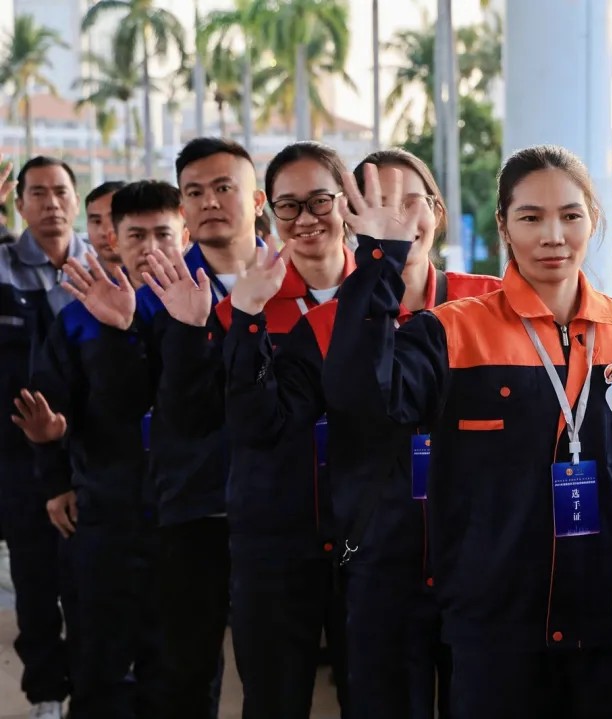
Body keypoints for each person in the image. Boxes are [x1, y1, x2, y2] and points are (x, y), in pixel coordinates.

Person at [322, 145, 612, 718]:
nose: (553, 236)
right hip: (494, 628)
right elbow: (362, 398)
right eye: (531, 217)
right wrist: (379, 261)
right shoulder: (451, 332)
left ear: (594, 220)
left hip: (607, 623)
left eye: (571, 215)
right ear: (503, 225)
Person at [223, 147, 500, 719]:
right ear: (355, 220)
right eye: (379, 206)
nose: (396, 219)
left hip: (482, 557)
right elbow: (264, 425)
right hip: (382, 566)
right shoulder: (332, 325)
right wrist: (246, 320)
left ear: (438, 211)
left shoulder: (489, 303)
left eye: (410, 203)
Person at [68, 138, 267, 719]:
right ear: (184, 207)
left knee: (279, 670)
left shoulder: (294, 277)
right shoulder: (153, 291)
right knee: (185, 670)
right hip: (189, 512)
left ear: (256, 199)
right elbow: (126, 406)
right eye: (195, 192)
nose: (210, 202)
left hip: (285, 514)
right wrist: (120, 333)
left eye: (224, 187)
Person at [15, 180, 186, 718]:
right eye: (136, 235)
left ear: (183, 235)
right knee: (99, 658)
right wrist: (55, 476)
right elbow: (50, 407)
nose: (151, 247)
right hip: (104, 512)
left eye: (163, 233)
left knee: (180, 662)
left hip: (185, 516)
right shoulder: (77, 318)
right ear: (114, 238)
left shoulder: (203, 311)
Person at [194, 141, 353, 718]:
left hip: (366, 540)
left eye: (320, 201)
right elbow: (234, 420)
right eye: (289, 205)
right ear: (271, 211)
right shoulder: (244, 305)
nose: (306, 218)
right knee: (273, 699)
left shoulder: (386, 298)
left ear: (346, 202)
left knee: (373, 694)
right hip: (273, 543)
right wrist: (248, 318)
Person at [0, 155, 90, 719]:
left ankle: (93, 687)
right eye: (37, 193)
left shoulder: (100, 268)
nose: (51, 203)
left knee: (88, 580)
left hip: (86, 453)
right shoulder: (3, 267)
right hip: (17, 459)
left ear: (75, 200)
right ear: (19, 204)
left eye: (60, 191)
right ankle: (47, 695)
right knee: (34, 581)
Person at [83, 181, 126, 275]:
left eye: (114, 219)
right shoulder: (76, 284)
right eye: (97, 221)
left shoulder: (159, 281)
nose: (105, 231)